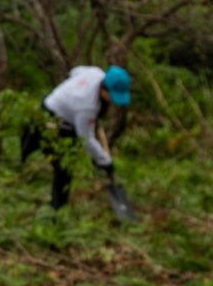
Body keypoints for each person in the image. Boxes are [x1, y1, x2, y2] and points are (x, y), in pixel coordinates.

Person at [20, 64, 131, 210]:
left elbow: (75, 71)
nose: (113, 101)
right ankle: (57, 209)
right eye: (112, 96)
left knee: (34, 147)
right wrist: (105, 161)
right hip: (52, 117)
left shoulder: (95, 73)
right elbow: (86, 139)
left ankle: (21, 169)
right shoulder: (86, 107)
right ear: (104, 89)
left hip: (61, 111)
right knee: (64, 167)